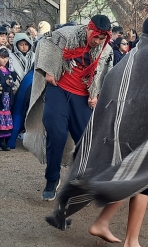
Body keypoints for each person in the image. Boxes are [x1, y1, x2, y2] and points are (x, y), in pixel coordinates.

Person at [44, 13, 148, 247]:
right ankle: (131, 240)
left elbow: (113, 81)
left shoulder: (133, 54)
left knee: (127, 177)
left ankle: (106, 224)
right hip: (142, 131)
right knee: (141, 178)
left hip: (123, 129)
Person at [23, 15, 114, 201]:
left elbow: (106, 74)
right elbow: (45, 42)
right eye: (95, 36)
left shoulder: (106, 50)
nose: (97, 41)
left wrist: (96, 94)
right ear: (89, 28)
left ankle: (82, 181)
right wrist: (49, 70)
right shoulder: (66, 35)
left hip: (82, 98)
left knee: (86, 141)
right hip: (59, 89)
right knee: (56, 132)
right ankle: (52, 179)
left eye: (101, 39)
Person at [0, 47, 14, 151]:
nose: (5, 60)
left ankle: (4, 141)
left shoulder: (7, 70)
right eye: (2, 57)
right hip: (1, 97)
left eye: (6, 58)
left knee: (5, 120)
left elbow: (11, 83)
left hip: (6, 98)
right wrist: (6, 84)